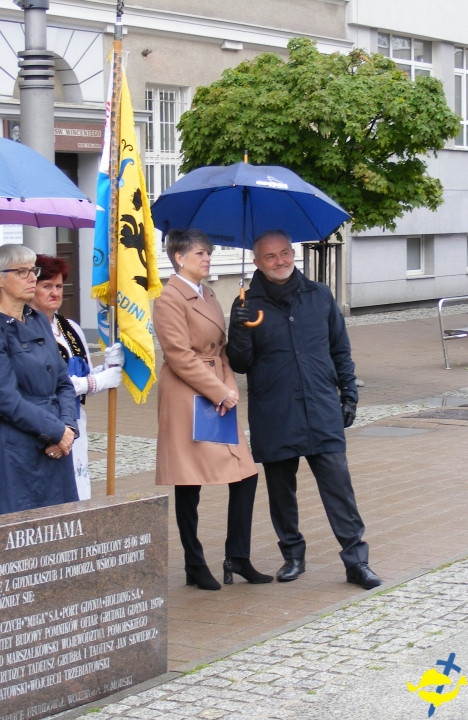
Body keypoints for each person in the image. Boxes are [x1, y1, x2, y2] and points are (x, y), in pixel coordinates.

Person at [227, 229, 382, 590]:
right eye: (271, 256)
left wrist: (349, 395)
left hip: (321, 405)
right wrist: (239, 331)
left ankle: (357, 561)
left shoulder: (319, 295)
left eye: (285, 253)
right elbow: (240, 363)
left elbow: (340, 349)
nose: (280, 261)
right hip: (275, 409)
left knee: (338, 486)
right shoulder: (246, 303)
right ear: (256, 262)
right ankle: (293, 555)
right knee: (281, 491)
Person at [155, 229, 271, 591]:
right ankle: (194, 563)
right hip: (187, 395)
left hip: (217, 388)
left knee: (245, 472)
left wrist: (230, 386)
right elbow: (178, 356)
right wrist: (219, 391)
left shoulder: (207, 293)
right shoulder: (168, 298)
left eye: (210, 253)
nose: (208, 259)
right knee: (189, 481)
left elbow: (218, 348)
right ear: (179, 257)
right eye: (202, 253)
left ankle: (237, 555)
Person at [0, 245, 79, 515]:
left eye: (33, 270)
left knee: (62, 528)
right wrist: (56, 431)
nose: (32, 277)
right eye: (22, 271)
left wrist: (68, 428)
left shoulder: (38, 320)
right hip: (18, 444)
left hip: (58, 442)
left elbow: (63, 383)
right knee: (22, 534)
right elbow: (4, 398)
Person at [30, 254, 123, 501]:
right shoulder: (25, 330)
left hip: (76, 423)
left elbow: (86, 374)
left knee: (79, 494)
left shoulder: (70, 328)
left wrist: (109, 366)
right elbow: (52, 385)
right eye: (46, 286)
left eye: (59, 286)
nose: (55, 293)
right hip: (46, 427)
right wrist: (99, 381)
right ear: (32, 288)